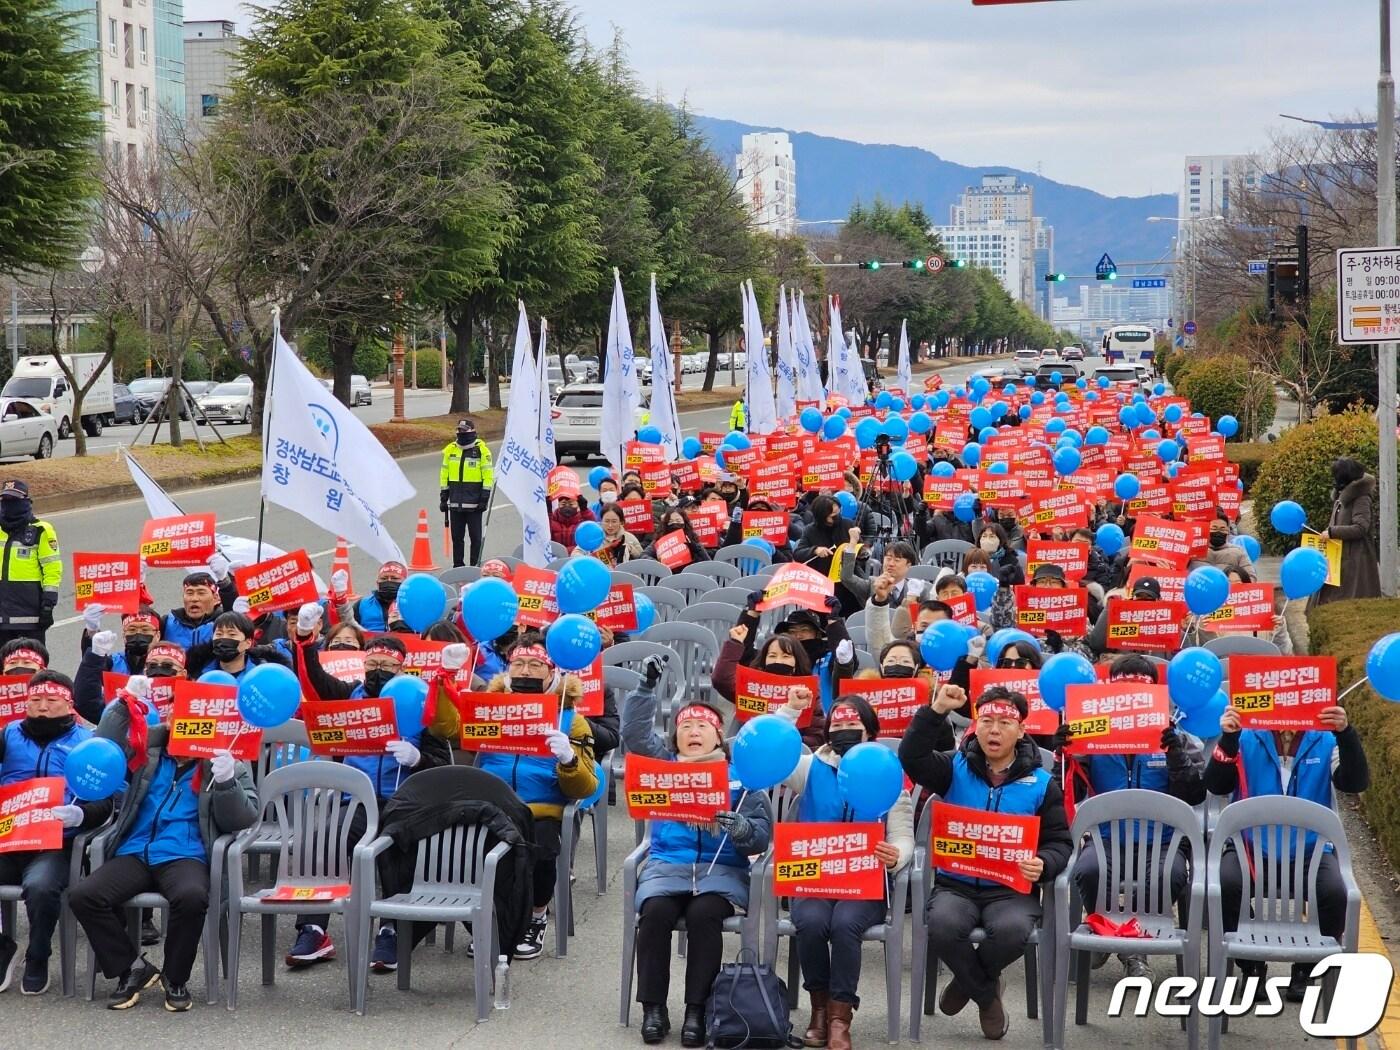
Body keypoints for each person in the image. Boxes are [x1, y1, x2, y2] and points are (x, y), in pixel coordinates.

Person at [71, 681, 258, 1012]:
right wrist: (122, 702)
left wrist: (227, 781)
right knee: (85, 895)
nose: (179, 721)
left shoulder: (224, 760)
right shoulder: (148, 751)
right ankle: (131, 968)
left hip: (185, 854)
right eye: (175, 712)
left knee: (191, 897)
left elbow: (241, 818)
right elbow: (105, 746)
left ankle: (176, 977)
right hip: (136, 849)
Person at [899, 683, 1072, 1040]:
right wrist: (936, 710)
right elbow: (911, 757)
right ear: (975, 726)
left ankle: (967, 984)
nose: (994, 730)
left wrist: (1043, 863)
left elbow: (1060, 843)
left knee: (1011, 931)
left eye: (1005, 723)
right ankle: (987, 995)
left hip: (1011, 890)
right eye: (987, 720)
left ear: (1022, 730)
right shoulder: (953, 768)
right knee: (943, 925)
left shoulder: (1040, 784)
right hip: (955, 885)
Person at [284, 611, 456, 967]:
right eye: (372, 662)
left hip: (405, 802)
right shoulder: (350, 697)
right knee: (325, 841)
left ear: (402, 669)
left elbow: (443, 764)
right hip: (357, 802)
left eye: (387, 665)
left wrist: (416, 758)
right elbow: (313, 679)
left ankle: (393, 928)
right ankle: (313, 929)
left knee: (398, 849)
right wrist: (304, 637)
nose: (378, 670)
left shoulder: (418, 701)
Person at [623, 657, 771, 1047]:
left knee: (705, 915)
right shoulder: (664, 767)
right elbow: (635, 734)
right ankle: (653, 1007)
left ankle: (697, 1010)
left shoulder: (742, 777)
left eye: (702, 726)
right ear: (674, 738)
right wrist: (644, 688)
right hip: (667, 867)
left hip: (720, 872)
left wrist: (741, 829)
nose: (692, 732)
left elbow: (760, 837)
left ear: (718, 737)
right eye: (685, 726)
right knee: (654, 914)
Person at [775, 687, 914, 1049]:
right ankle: (818, 1008)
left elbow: (904, 836)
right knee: (811, 921)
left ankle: (840, 1015)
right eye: (838, 721)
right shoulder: (810, 767)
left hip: (864, 882)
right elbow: (773, 752)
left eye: (853, 721)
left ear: (870, 730)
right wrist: (790, 710)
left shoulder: (887, 773)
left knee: (844, 924)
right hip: (813, 878)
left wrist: (895, 855)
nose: (844, 726)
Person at [1053, 654, 1206, 980]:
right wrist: (1063, 754)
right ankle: (1110, 934)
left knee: (1169, 875)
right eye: (1123, 686)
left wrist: (1176, 755)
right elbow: (1068, 792)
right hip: (1107, 839)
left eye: (1141, 687)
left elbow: (1195, 795)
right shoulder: (1092, 736)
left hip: (1164, 842)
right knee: (1089, 869)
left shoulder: (1176, 736)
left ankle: (1135, 950)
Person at [1205, 699, 1368, 1002]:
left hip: (1311, 850)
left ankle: (1306, 969)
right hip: (1250, 847)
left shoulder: (1326, 738)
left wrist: (1346, 733)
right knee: (1225, 884)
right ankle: (1251, 966)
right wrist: (1228, 737)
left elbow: (1354, 782)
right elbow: (1216, 785)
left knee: (1336, 891)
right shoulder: (1246, 734)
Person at [472, 633, 598, 960]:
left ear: (551, 671)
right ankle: (487, 919)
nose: (525, 671)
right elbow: (448, 731)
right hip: (491, 805)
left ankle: (536, 915)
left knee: (540, 844)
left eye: (535, 665)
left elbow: (586, 788)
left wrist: (568, 758)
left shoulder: (571, 719)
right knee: (466, 844)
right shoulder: (487, 708)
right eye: (518, 664)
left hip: (541, 810)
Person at [0, 671, 115, 995]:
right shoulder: (8, 735)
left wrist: (80, 814)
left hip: (56, 842)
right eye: (35, 700)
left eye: (51, 701)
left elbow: (105, 801)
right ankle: (3, 946)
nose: (42, 707)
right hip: (9, 838)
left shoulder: (87, 743)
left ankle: (38, 955)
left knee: (40, 887)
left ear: (69, 704)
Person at [0, 481, 60, 645]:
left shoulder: (41, 529)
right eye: (5, 500)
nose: (9, 504)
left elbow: (52, 568)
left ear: (26, 500)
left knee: (31, 665)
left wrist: (48, 603)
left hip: (29, 616)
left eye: (14, 500)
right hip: (1, 618)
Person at [1314, 456, 1381, 603]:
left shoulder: (1361, 497)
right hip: (1338, 556)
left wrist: (1332, 532)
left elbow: (1360, 527)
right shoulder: (1341, 496)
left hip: (1356, 559)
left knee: (1351, 601)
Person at [440, 418, 494, 568]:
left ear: (472, 431)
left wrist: (484, 497)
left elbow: (488, 475)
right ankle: (458, 566)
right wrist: (444, 496)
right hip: (455, 502)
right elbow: (444, 474)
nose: (460, 433)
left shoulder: (481, 450)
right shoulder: (450, 450)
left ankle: (474, 566)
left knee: (475, 538)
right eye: (459, 430)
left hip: (475, 503)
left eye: (464, 430)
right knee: (457, 538)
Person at [160, 563, 237, 649]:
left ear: (216, 598)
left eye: (201, 593)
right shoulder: (167, 622)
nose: (194, 599)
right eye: (189, 593)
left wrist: (224, 582)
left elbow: (235, 613)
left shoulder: (225, 621)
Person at [339, 561, 408, 632]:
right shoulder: (362, 605)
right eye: (384, 578)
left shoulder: (413, 604)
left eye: (394, 578)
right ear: (377, 583)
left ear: (405, 582)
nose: (388, 581)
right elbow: (348, 628)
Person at [641, 508, 711, 565]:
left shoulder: (691, 538)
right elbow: (644, 555)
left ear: (685, 522)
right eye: (671, 521)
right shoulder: (659, 540)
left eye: (678, 520)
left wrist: (695, 548)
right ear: (666, 524)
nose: (675, 523)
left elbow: (708, 561)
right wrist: (658, 563)